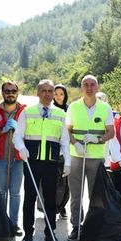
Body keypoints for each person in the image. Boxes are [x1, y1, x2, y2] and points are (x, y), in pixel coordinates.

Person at [14, 79, 71, 241]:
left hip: (51, 163)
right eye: (43, 90)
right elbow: (18, 135)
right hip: (31, 162)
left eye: (50, 91)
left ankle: (49, 232)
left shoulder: (60, 114)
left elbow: (65, 142)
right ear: (37, 93)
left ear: (53, 93)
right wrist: (21, 148)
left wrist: (67, 162)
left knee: (50, 198)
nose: (47, 94)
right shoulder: (27, 112)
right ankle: (28, 233)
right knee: (30, 197)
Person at [66, 75, 115, 241]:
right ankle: (76, 226)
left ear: (97, 87)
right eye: (85, 85)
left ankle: (93, 226)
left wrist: (98, 139)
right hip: (76, 155)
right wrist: (76, 144)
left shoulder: (105, 108)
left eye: (92, 84)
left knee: (95, 195)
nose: (89, 87)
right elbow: (67, 131)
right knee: (76, 194)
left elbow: (111, 132)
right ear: (81, 88)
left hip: (96, 158)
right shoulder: (73, 107)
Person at [0, 81, 26, 236]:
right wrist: (3, 130)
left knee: (15, 193)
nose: (10, 93)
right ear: (2, 92)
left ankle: (13, 224)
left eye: (13, 91)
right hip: (0, 158)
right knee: (0, 191)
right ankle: (0, 222)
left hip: (18, 158)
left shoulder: (24, 111)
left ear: (17, 93)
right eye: (7, 91)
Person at [53, 84, 70, 220]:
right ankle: (52, 206)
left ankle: (62, 206)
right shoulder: (49, 109)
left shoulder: (70, 110)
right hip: (52, 149)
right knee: (52, 180)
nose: (59, 97)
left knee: (65, 182)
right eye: (56, 94)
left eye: (61, 94)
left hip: (67, 150)